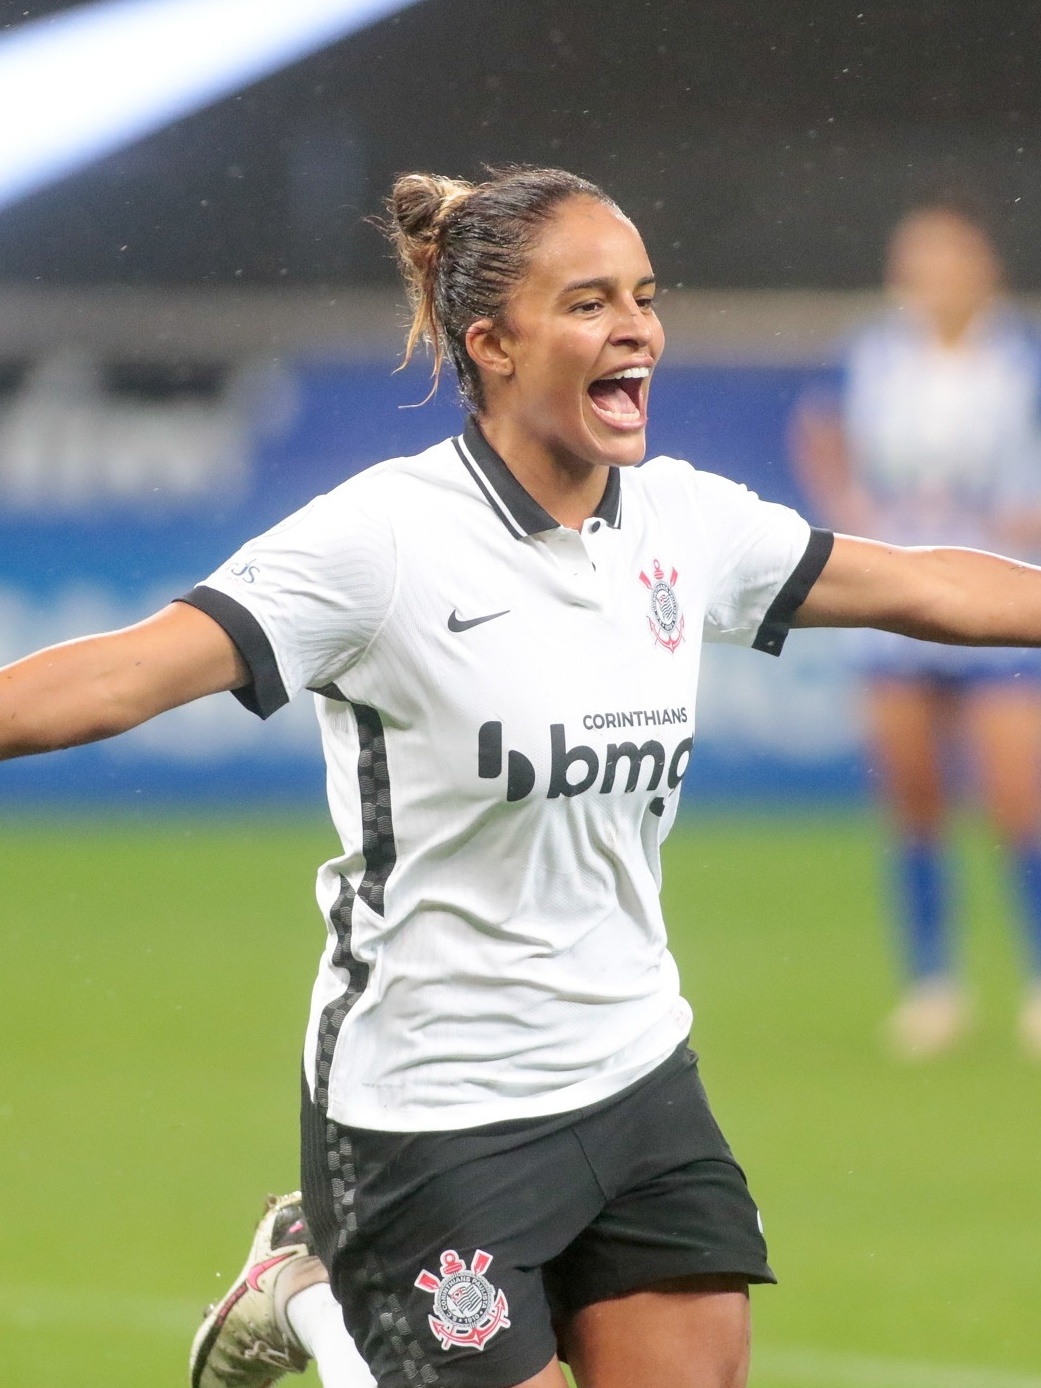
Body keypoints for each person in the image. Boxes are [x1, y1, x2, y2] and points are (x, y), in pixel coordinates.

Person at [7, 167, 1041, 1388]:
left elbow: (924, 582)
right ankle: (319, 1294)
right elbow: (122, 675)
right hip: (431, 1106)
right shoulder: (379, 542)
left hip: (638, 1072)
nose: (636, 328)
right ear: (492, 342)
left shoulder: (685, 525)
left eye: (644, 297)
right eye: (591, 301)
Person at [793, 200, 1041, 1060]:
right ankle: (932, 985)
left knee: (1019, 797)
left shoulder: (1020, 356)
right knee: (912, 797)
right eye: (917, 259)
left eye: (948, 258)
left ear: (983, 268)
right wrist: (847, 509)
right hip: (897, 595)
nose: (931, 276)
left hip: (999, 589)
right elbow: (818, 431)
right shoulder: (873, 353)